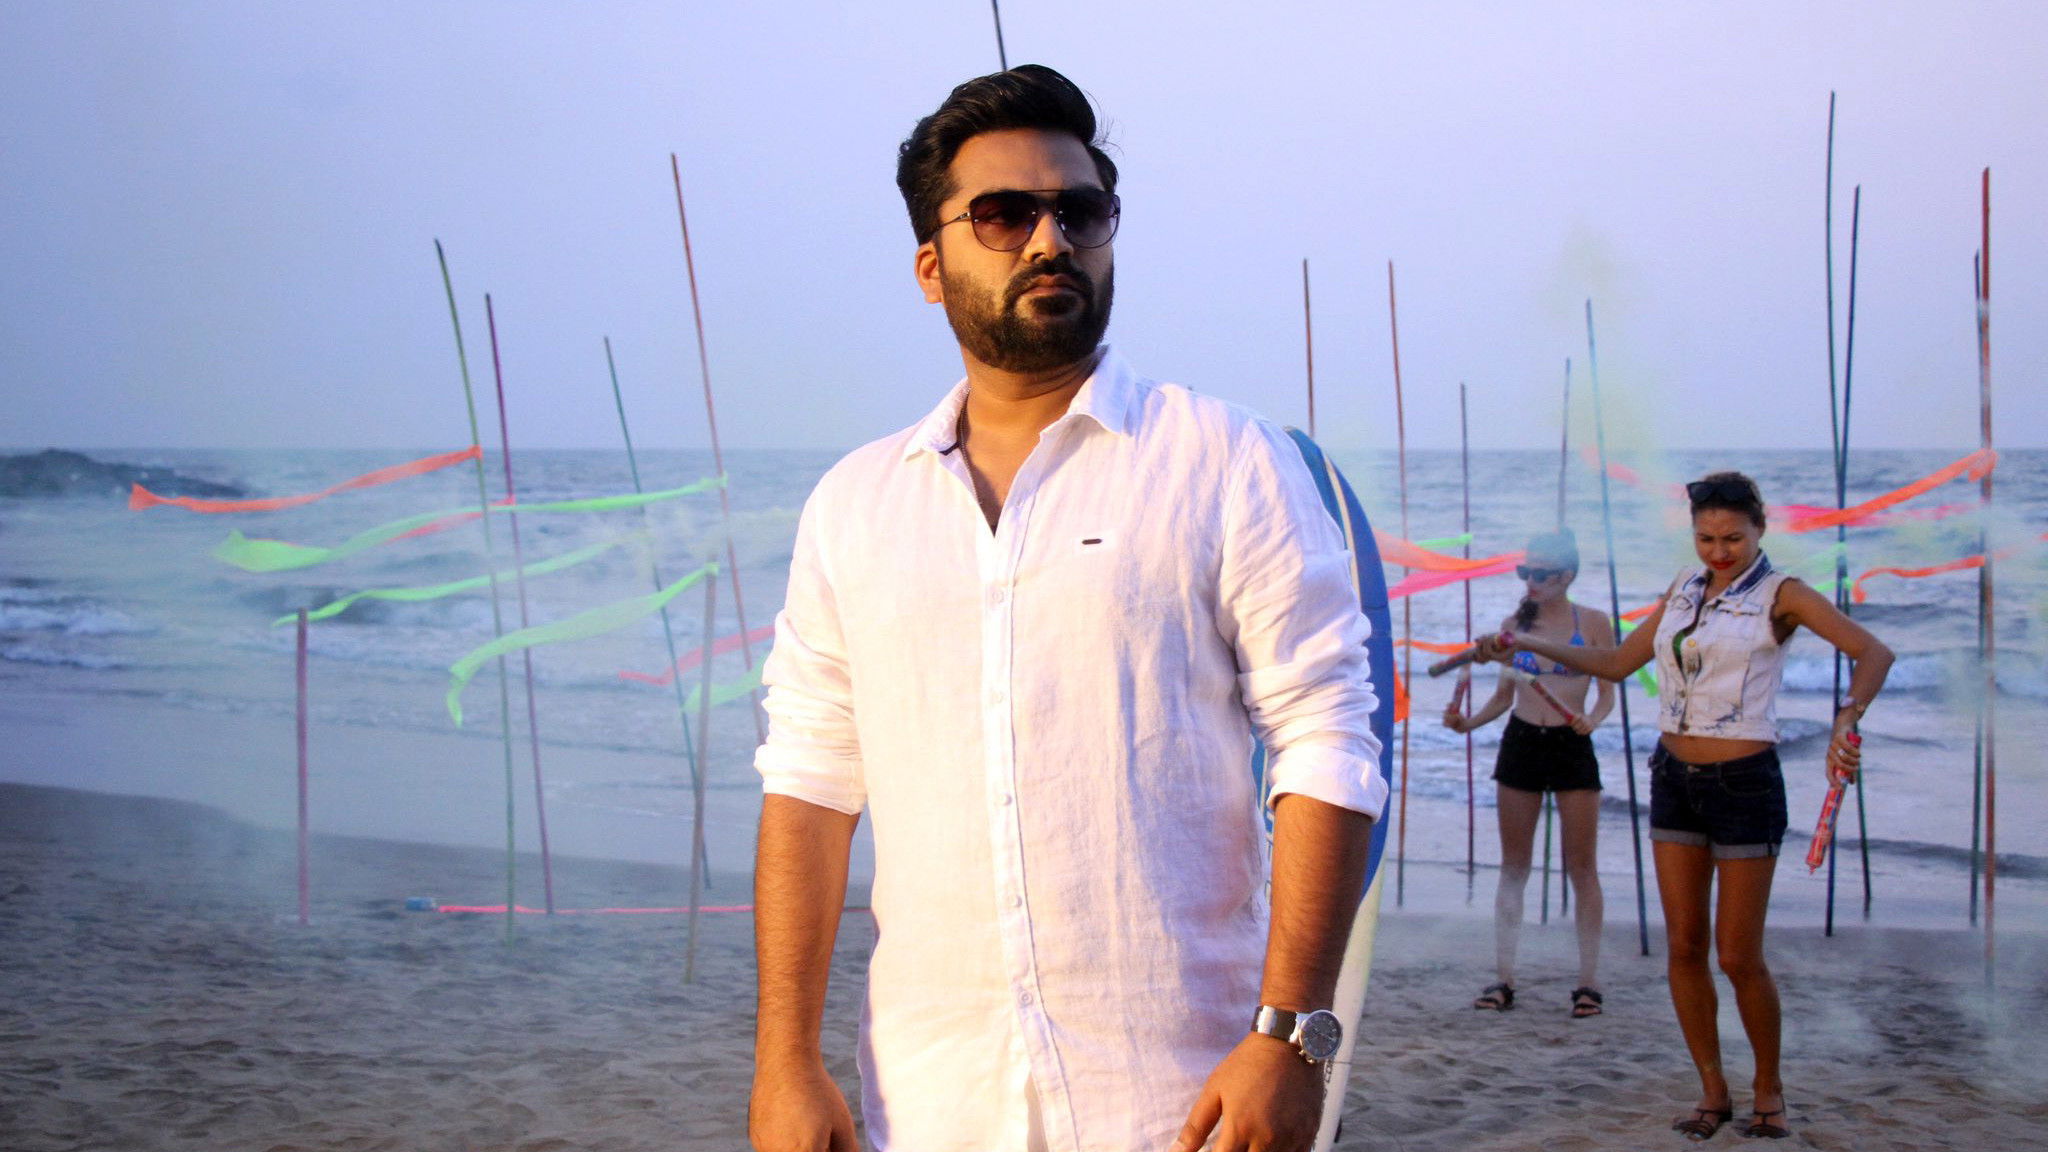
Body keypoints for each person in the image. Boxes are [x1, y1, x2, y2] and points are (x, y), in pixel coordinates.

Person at [747, 65, 1385, 1152]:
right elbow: (809, 787)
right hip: (930, 1096)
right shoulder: (856, 504)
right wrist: (785, 1063)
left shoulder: (1223, 459)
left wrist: (1290, 1037)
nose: (1049, 240)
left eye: (1079, 211)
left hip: (1182, 1096)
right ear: (930, 265)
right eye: (1003, 214)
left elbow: (1326, 737)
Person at [1477, 471, 1893, 1142]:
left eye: (1733, 538)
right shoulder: (1685, 588)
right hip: (1672, 778)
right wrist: (1526, 644)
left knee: (1738, 956)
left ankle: (1769, 1090)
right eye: (1706, 538)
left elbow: (1873, 651)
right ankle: (1712, 1091)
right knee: (1684, 947)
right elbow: (1616, 662)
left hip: (1745, 783)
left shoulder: (1783, 594)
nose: (1719, 552)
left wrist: (1847, 717)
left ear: (1759, 530)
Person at [1441, 529, 1613, 1018]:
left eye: (1541, 573)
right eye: (1525, 571)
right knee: (1514, 865)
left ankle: (1588, 983)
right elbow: (1503, 697)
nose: (1530, 581)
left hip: (1571, 743)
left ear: (1567, 576)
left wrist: (1592, 720)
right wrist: (1467, 724)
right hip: (1522, 742)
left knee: (1582, 867)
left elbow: (1607, 691)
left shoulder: (1593, 623)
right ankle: (1504, 978)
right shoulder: (1513, 626)